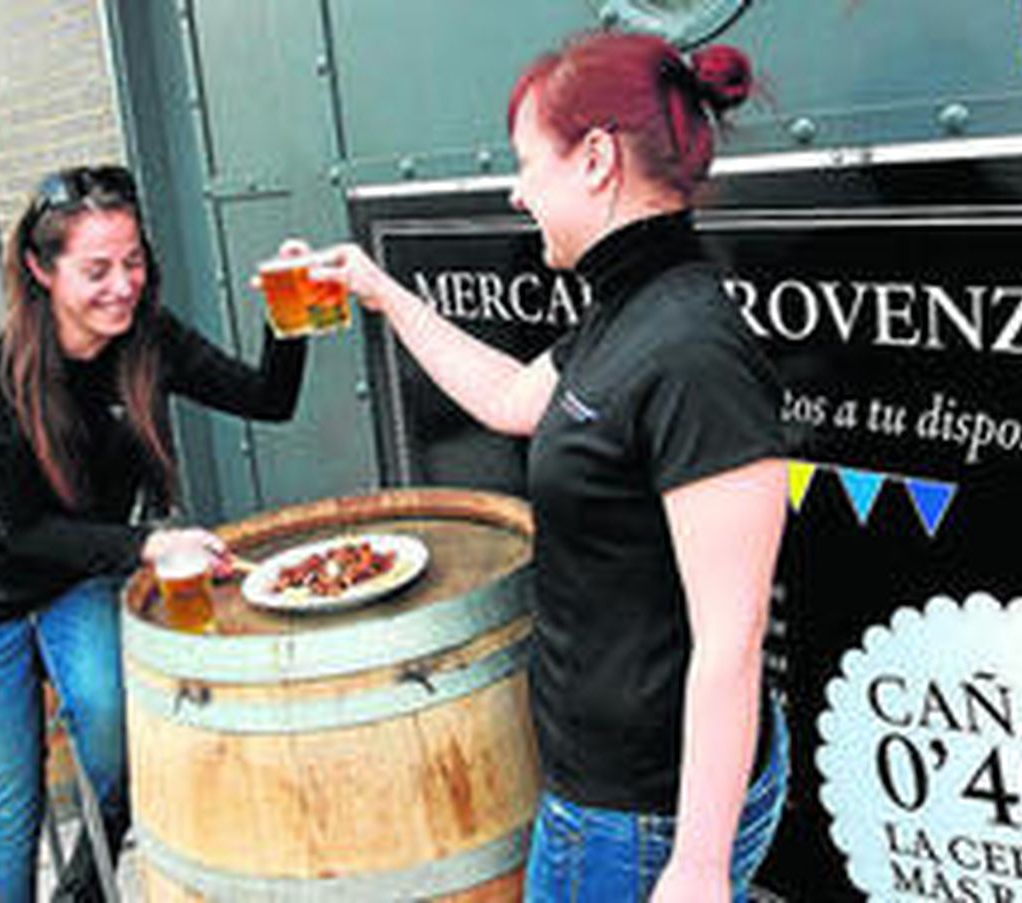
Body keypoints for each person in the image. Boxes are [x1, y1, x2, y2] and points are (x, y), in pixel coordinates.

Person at [284, 32, 789, 903]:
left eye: (526, 163)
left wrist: (699, 866)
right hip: (605, 793)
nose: (516, 190)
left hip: (639, 816)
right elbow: (514, 398)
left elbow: (731, 638)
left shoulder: (693, 353)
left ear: (595, 160)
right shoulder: (628, 307)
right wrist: (382, 292)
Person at [0, 164, 307, 902]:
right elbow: (24, 531)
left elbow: (270, 399)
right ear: (41, 269)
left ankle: (82, 890)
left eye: (133, 262)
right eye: (97, 269)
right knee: (9, 809)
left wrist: (287, 308)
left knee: (116, 749)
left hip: (79, 580)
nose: (123, 286)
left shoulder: (149, 339)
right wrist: (151, 544)